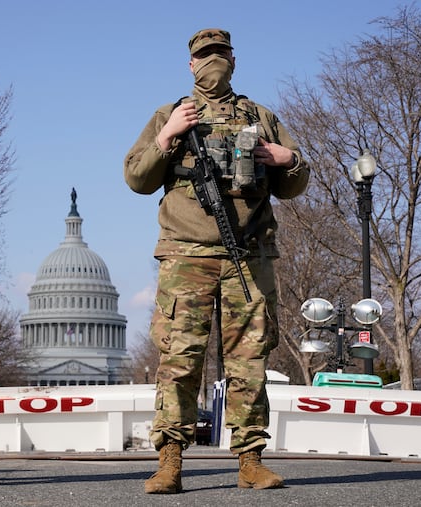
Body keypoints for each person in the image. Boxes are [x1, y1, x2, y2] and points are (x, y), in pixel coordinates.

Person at [124, 29, 310, 494]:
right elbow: (136, 178)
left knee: (249, 361)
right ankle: (169, 461)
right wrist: (168, 136)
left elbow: (292, 184)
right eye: (204, 55)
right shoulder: (170, 114)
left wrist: (289, 160)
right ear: (190, 64)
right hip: (187, 255)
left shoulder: (260, 116)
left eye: (220, 53)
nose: (213, 61)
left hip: (249, 253)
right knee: (180, 359)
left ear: (233, 58)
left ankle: (250, 460)